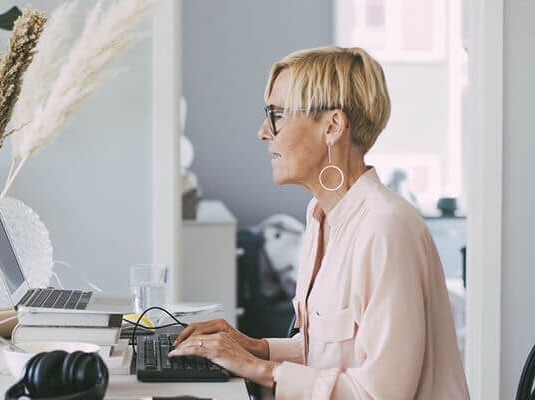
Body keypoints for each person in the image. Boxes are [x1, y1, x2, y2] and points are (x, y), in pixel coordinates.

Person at [168, 46, 470, 399]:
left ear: (332, 126)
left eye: (277, 114)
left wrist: (258, 369)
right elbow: (331, 352)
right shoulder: (320, 215)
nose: (264, 132)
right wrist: (252, 346)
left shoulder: (387, 229)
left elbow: (378, 395)